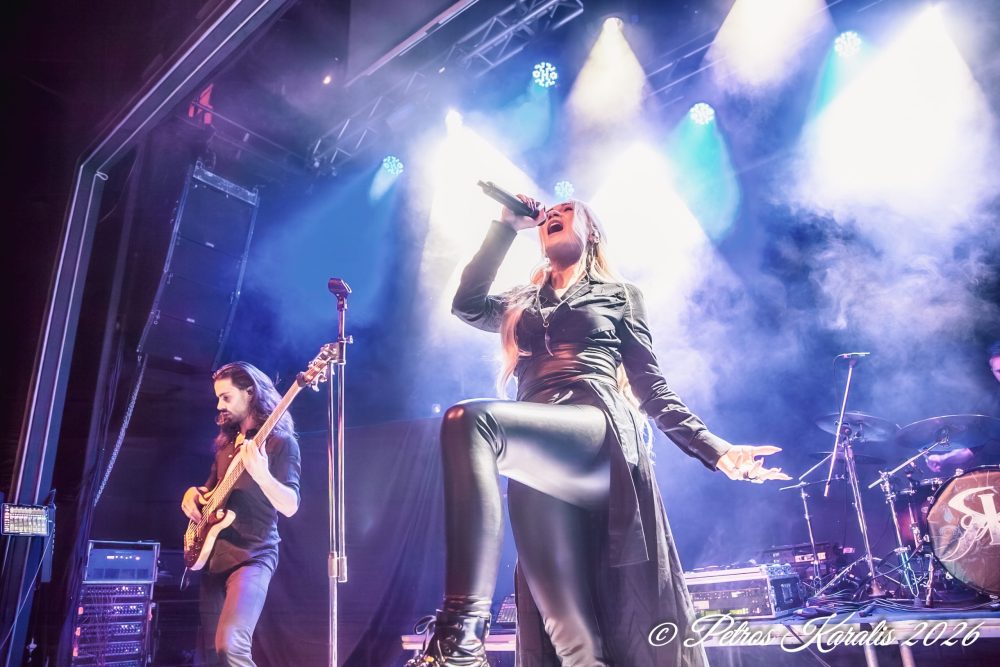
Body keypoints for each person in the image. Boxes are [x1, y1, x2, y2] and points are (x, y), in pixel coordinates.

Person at [406, 197, 789, 667]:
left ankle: (460, 642)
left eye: (567, 209)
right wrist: (505, 227)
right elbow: (466, 305)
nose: (553, 213)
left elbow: (651, 388)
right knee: (573, 642)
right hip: (541, 447)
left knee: (470, 422)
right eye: (549, 213)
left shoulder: (620, 295)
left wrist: (715, 449)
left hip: (596, 428)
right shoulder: (521, 301)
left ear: (592, 232)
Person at [180, 362, 301, 667]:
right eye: (218, 398)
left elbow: (290, 505)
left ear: (250, 393)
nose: (219, 405)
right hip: (213, 559)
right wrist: (191, 494)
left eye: (226, 397)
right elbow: (208, 492)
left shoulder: (280, 443)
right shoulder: (225, 445)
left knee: (231, 645)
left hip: (253, 556)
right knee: (212, 657)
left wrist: (262, 475)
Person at [926, 340, 1000, 473]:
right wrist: (943, 458)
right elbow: (970, 450)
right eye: (999, 371)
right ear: (992, 371)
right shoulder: (990, 405)